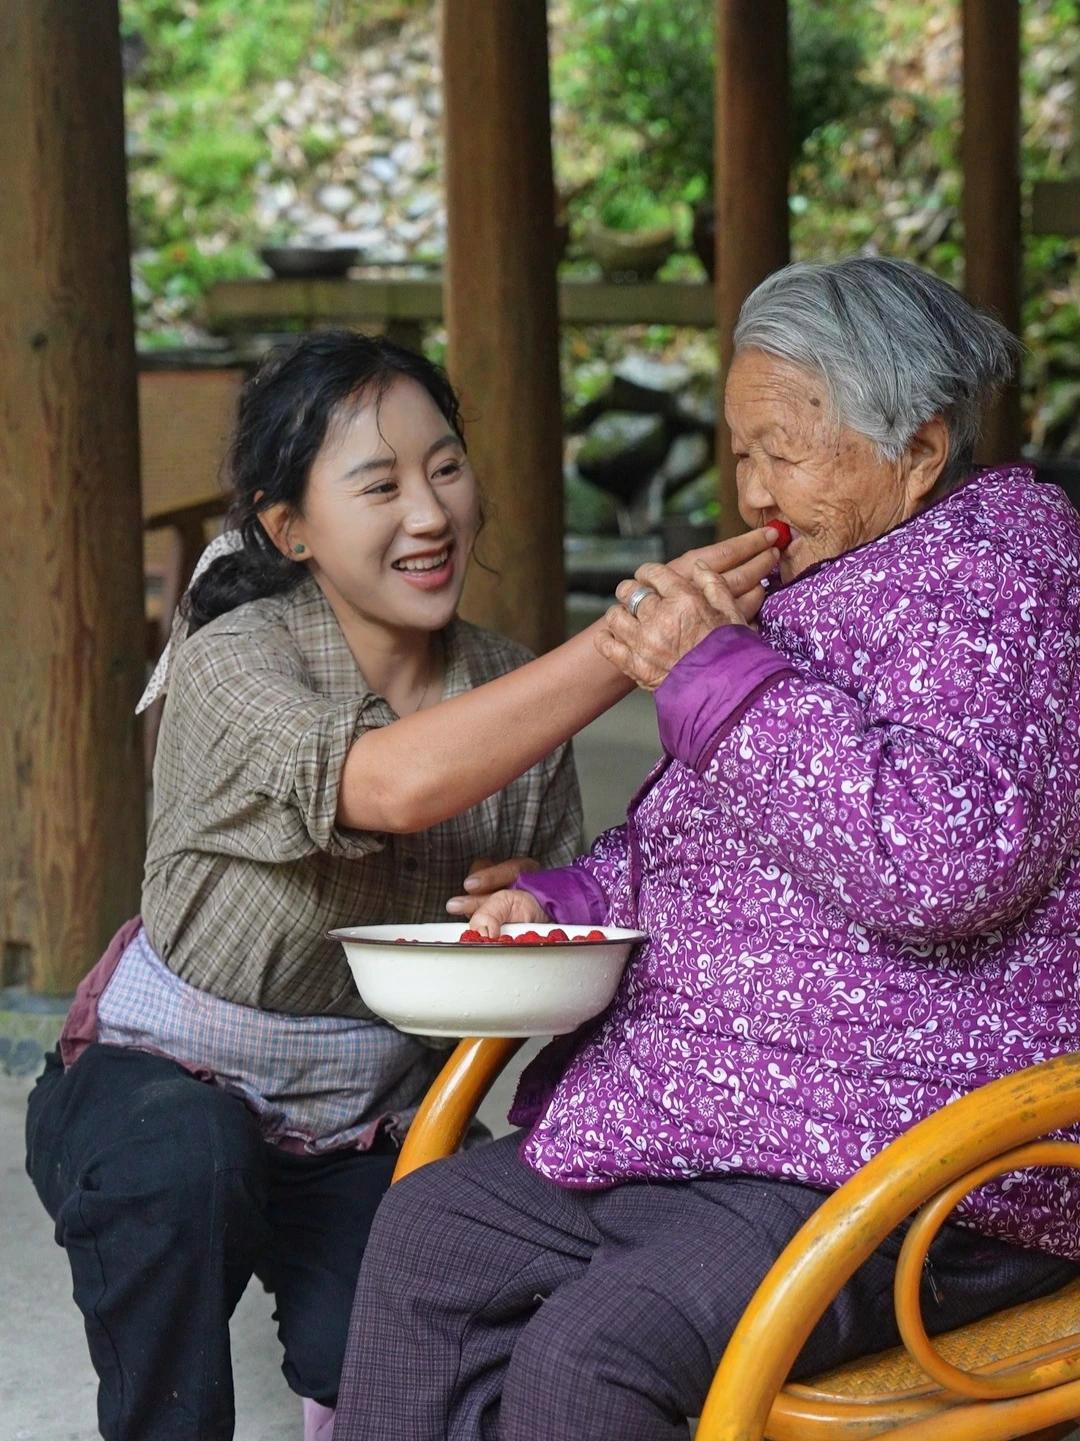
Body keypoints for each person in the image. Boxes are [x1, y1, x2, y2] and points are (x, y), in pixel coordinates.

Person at [333, 257, 1080, 1441]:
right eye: (739, 450)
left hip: (896, 1157)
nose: (753, 488)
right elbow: (705, 834)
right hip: (718, 1114)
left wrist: (715, 677)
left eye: (785, 450)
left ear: (922, 450)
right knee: (430, 1238)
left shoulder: (1003, 590)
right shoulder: (814, 579)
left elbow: (951, 860)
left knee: (593, 1356)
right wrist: (567, 894)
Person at [24, 330, 782, 1441]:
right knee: (179, 1166)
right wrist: (633, 641)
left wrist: (540, 899)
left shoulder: (506, 683)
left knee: (409, 1332)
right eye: (378, 485)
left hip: (368, 1115)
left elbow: (557, 921)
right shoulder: (235, 656)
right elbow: (394, 784)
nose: (428, 515)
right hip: (162, 1081)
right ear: (290, 529)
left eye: (444, 469)